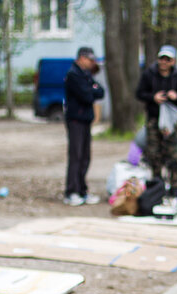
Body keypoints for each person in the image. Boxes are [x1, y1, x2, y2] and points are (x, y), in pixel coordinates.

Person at [135, 44, 177, 194]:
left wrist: (176, 96)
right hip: (154, 118)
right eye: (162, 59)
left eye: (168, 59)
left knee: (175, 154)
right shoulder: (149, 74)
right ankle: (157, 185)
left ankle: (175, 187)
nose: (164, 62)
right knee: (154, 153)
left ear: (173, 61)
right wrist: (153, 97)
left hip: (173, 120)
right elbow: (139, 93)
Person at [63, 46, 104, 206]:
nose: (92, 63)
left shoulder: (86, 75)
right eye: (90, 59)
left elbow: (100, 92)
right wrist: (91, 90)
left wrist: (91, 90)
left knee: (85, 157)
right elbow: (87, 96)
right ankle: (71, 191)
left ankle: (82, 190)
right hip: (75, 120)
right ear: (81, 58)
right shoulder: (73, 74)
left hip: (86, 120)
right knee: (76, 156)